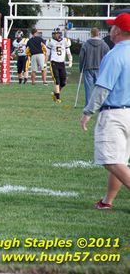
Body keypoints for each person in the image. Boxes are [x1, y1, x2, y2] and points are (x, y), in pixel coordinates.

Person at [80, 12, 130, 210]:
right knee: (119, 160)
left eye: (112, 26)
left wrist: (88, 111)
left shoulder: (115, 54)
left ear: (117, 30)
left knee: (110, 160)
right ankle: (107, 201)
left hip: (115, 113)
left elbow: (103, 88)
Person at [79, 27, 110, 108]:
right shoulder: (104, 45)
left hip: (88, 68)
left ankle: (89, 105)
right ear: (98, 33)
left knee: (88, 88)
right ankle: (100, 104)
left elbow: (81, 57)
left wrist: (81, 67)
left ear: (91, 34)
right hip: (100, 68)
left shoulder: (86, 44)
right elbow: (108, 56)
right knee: (100, 87)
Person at [46, 27, 73, 103]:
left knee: (63, 82)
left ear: (59, 34)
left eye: (56, 34)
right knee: (56, 80)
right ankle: (58, 98)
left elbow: (68, 53)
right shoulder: (50, 41)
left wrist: (70, 60)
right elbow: (47, 54)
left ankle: (55, 93)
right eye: (54, 34)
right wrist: (45, 63)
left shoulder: (65, 41)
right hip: (54, 63)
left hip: (62, 63)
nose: (54, 35)